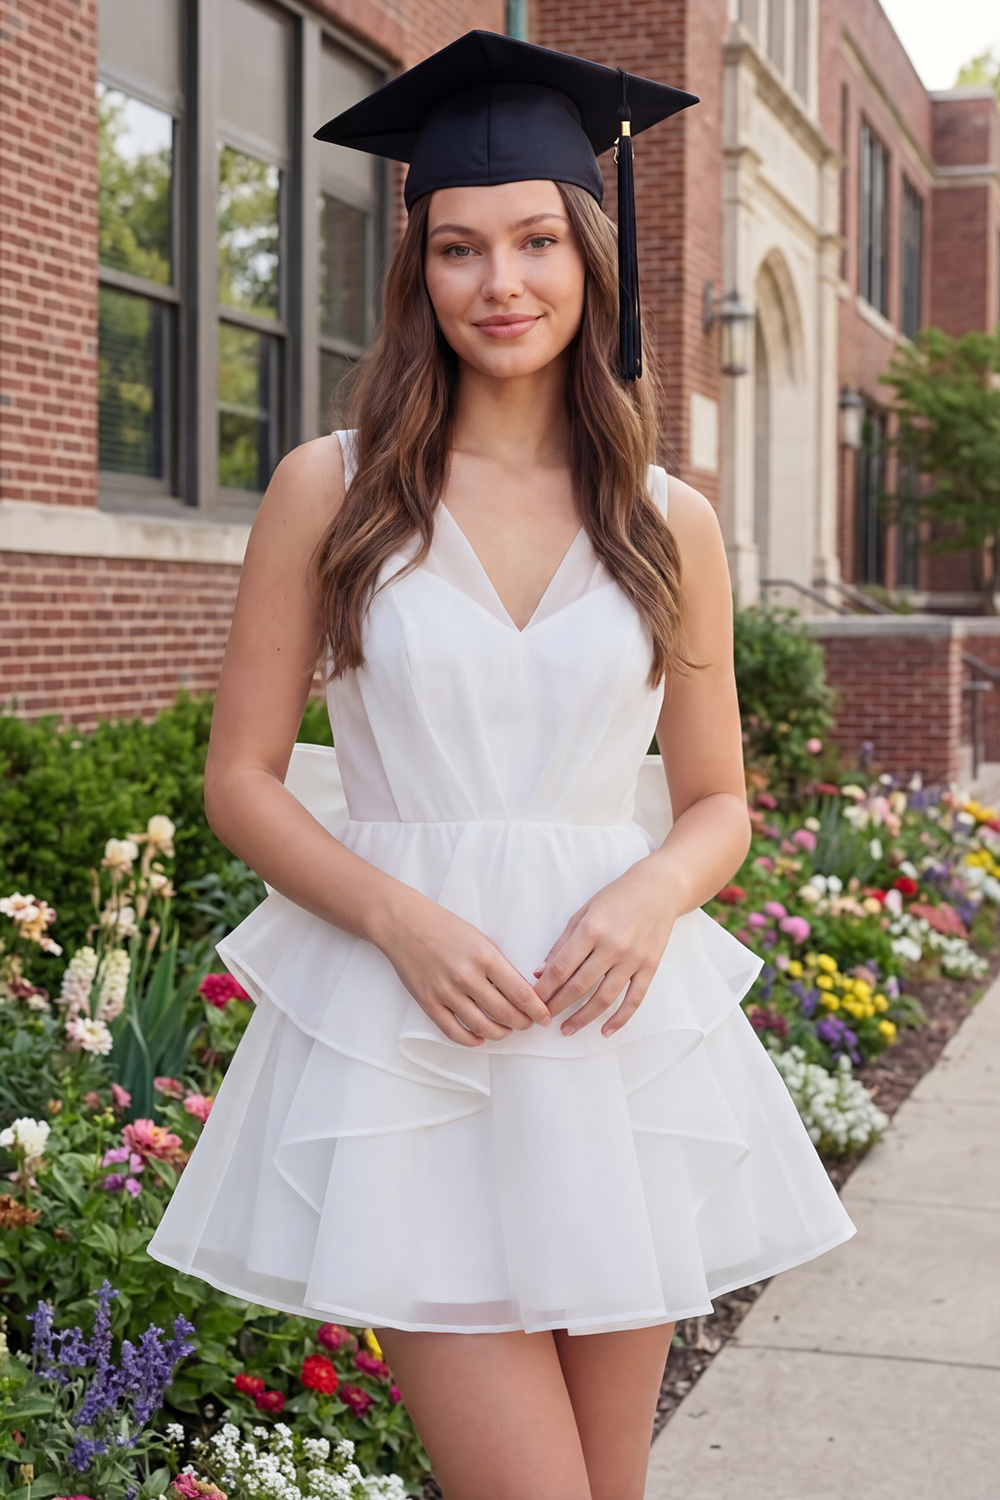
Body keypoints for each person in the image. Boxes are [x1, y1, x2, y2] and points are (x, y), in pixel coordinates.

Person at [147, 31, 855, 1500]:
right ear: (418, 269)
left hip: (612, 1041)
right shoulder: (330, 491)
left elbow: (720, 801)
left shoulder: (669, 521)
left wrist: (655, 894)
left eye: (536, 240)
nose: (501, 284)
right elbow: (243, 780)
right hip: (422, 1034)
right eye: (459, 248)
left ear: (593, 256)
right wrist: (399, 917)